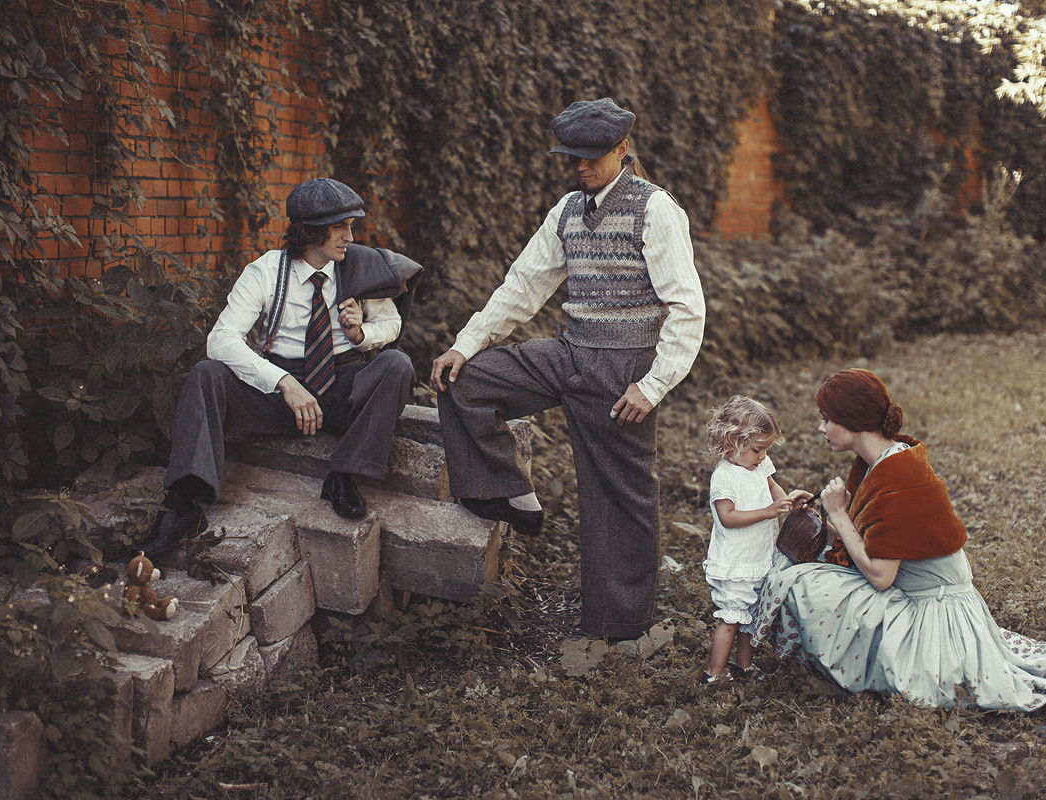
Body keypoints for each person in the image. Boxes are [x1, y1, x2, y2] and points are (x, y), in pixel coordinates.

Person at [430, 98, 705, 639]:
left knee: (618, 499)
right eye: (572, 156)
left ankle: (620, 629)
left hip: (623, 371)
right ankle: (506, 490)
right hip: (568, 353)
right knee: (467, 381)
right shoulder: (566, 210)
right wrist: (466, 344)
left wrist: (651, 387)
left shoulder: (656, 209)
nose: (581, 166)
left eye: (592, 156)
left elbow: (687, 307)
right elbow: (523, 285)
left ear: (622, 150)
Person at [749, 369, 1046, 710]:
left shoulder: (898, 477)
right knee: (802, 570)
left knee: (801, 583)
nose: (821, 427)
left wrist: (839, 514)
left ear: (852, 420)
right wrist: (820, 513)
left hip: (936, 612)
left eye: (826, 419)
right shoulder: (883, 461)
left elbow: (881, 577)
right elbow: (872, 536)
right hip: (918, 593)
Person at [141, 177, 421, 556]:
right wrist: (284, 382)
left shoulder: (359, 266)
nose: (349, 237)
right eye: (340, 227)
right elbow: (220, 339)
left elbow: (392, 325)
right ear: (310, 232)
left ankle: (343, 476)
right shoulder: (267, 271)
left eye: (350, 226)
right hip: (280, 393)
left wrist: (361, 334)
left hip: (343, 385)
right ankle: (182, 504)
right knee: (207, 372)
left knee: (397, 364)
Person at [699, 396, 806, 685]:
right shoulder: (725, 476)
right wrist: (767, 512)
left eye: (765, 450)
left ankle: (743, 666)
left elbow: (771, 486)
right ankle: (713, 674)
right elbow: (727, 517)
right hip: (736, 562)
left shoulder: (759, 464)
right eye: (758, 449)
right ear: (732, 441)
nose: (762, 456)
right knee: (732, 620)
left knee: (752, 618)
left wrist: (787, 502)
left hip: (760, 557)